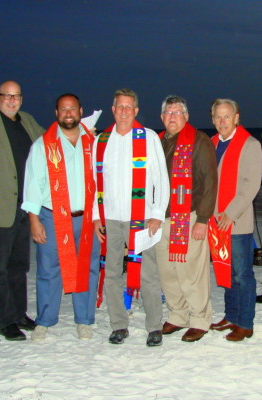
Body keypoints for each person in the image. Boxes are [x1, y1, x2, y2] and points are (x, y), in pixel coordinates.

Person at [93, 89, 169, 346]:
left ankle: (154, 327)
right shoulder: (101, 140)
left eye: (129, 107)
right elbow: (95, 182)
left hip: (141, 218)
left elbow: (161, 179)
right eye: (119, 107)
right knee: (112, 273)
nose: (124, 111)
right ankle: (119, 325)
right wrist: (96, 216)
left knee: (148, 274)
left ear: (136, 111)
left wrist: (157, 214)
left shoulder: (148, 137)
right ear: (113, 110)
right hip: (111, 218)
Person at [22, 94, 99, 341]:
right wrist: (34, 220)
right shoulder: (43, 145)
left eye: (72, 109)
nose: (68, 113)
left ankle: (84, 320)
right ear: (56, 113)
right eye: (63, 109)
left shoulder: (93, 142)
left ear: (80, 111)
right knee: (48, 269)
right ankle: (45, 320)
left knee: (86, 269)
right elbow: (33, 184)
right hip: (52, 217)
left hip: (86, 219)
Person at [0, 81, 44, 341]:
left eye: (16, 96)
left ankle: (19, 314)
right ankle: (6, 321)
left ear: (21, 99)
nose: (11, 100)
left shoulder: (27, 121)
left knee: (19, 266)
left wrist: (80, 131)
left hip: (24, 207)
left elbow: (49, 139)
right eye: (7, 95)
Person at [157, 95, 218, 342]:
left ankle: (200, 319)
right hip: (161, 219)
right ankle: (177, 314)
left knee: (191, 273)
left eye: (178, 112)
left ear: (187, 116)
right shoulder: (157, 142)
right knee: (168, 272)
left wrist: (203, 219)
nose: (173, 117)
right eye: (168, 112)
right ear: (162, 117)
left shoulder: (199, 141)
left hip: (189, 217)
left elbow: (209, 181)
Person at [207, 99, 262, 341]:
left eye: (227, 116)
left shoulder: (250, 144)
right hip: (215, 219)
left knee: (242, 274)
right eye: (218, 117)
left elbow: (251, 184)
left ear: (236, 117)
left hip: (236, 221)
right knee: (226, 271)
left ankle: (245, 323)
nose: (222, 121)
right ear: (212, 120)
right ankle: (231, 316)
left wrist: (230, 213)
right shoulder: (212, 144)